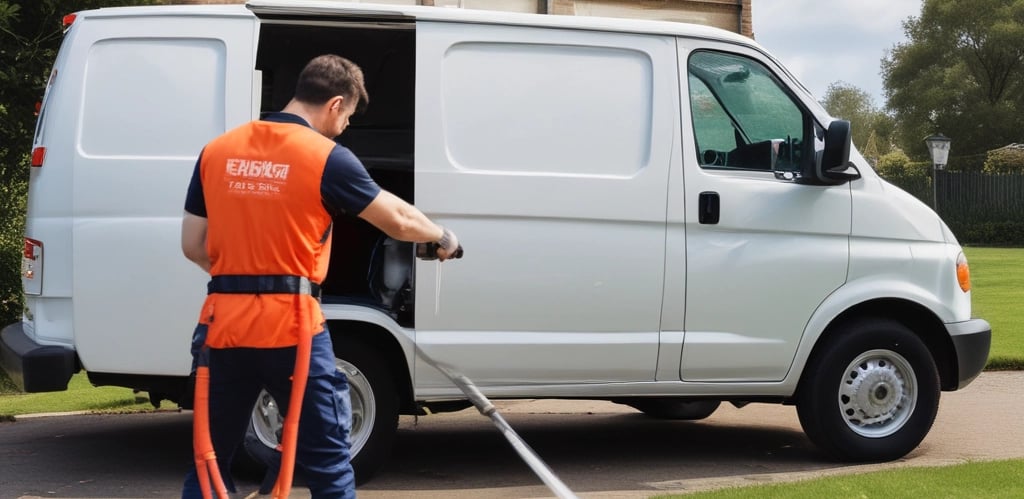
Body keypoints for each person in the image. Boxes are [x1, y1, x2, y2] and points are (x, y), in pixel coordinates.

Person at [179, 54, 460, 498]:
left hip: (223, 325)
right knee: (328, 458)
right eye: (347, 115)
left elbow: (193, 245)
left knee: (210, 458)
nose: (345, 126)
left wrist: (247, 275)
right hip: (291, 328)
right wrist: (442, 237)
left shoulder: (217, 151)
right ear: (334, 104)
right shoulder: (327, 158)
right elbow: (399, 220)